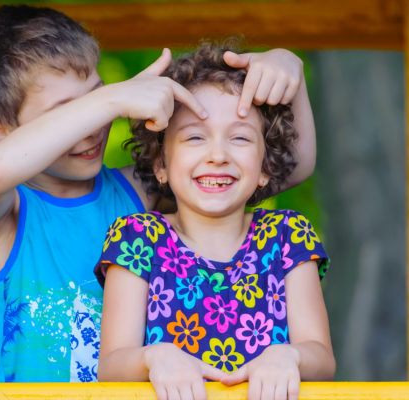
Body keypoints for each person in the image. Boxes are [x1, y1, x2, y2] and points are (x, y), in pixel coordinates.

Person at [0, 5, 317, 382]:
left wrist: (290, 71)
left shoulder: (137, 191)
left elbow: (286, 164)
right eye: (70, 111)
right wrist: (109, 100)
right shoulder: (5, 216)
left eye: (94, 95)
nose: (94, 127)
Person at [95, 41, 334, 400]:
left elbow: (322, 359)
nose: (218, 155)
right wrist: (153, 358)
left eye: (239, 138)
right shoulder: (137, 238)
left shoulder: (287, 235)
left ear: (266, 168)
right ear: (160, 164)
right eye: (194, 137)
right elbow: (111, 367)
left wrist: (291, 356)